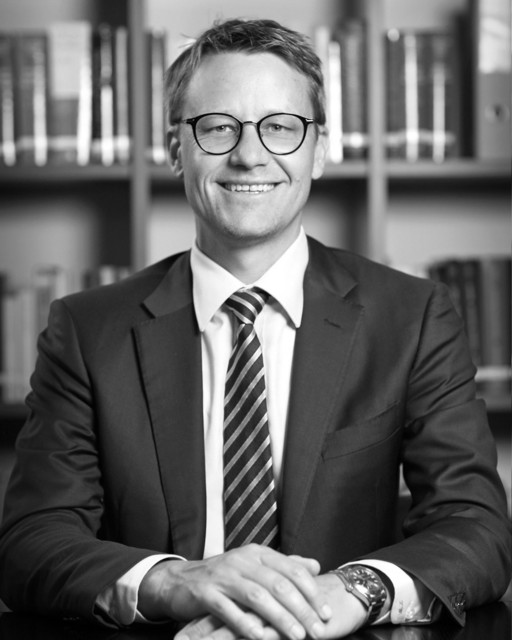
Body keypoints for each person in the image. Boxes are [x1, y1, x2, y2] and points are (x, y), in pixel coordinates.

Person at [0, 17, 510, 640]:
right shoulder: (85, 330)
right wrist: (174, 582)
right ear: (174, 150)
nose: (249, 153)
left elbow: (476, 527)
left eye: (281, 127)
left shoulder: (413, 316)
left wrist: (349, 591)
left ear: (318, 151)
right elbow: (32, 539)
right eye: (217, 128)